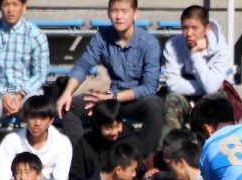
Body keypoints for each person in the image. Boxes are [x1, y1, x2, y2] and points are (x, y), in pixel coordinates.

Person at [56, 0, 164, 156]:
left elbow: (149, 87)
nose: (119, 16)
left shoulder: (149, 43)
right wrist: (67, 93)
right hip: (108, 99)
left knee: (155, 105)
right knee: (69, 106)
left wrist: (111, 97)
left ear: (135, 13)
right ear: (108, 13)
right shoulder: (102, 36)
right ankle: (82, 157)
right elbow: (82, 66)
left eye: (124, 11)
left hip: (133, 100)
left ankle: (142, 163)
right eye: (114, 11)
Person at [0, 0, 49, 166]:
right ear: (0, 6)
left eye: (15, 4)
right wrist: (3, 94)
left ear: (24, 6)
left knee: (36, 105)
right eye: (6, 4)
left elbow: (40, 74)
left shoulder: (35, 35)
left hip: (27, 93)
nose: (10, 9)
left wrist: (21, 93)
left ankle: (38, 154)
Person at [161, 5, 233, 144]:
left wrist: (195, 55)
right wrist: (204, 85)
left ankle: (215, 147)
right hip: (183, 95)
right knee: (171, 100)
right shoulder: (172, 45)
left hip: (209, 95)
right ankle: (171, 152)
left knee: (215, 100)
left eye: (194, 28)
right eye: (185, 28)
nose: (189, 33)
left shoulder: (221, 49)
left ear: (207, 29)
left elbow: (212, 89)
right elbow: (173, 85)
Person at [0, 95, 72, 180]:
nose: (37, 123)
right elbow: (1, 178)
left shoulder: (62, 144)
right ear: (25, 118)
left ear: (51, 120)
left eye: (42, 118)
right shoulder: (11, 141)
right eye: (33, 117)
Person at [69, 99, 144, 180]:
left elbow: (135, 176)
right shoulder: (85, 143)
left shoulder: (132, 142)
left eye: (117, 126)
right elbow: (77, 177)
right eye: (108, 128)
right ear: (98, 125)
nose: (114, 132)